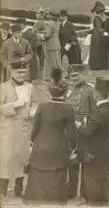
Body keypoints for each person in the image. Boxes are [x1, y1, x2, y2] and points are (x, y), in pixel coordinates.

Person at [24, 69, 76, 205]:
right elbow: (71, 134)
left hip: (40, 146)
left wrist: (32, 143)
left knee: (38, 178)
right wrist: (73, 149)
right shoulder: (68, 109)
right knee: (57, 179)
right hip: (58, 148)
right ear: (65, 93)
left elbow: (35, 129)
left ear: (49, 92)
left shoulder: (42, 107)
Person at [76, 77, 109, 207]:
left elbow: (88, 131)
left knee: (92, 180)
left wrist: (78, 125)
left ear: (96, 94)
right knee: (104, 179)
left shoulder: (97, 113)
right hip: (107, 147)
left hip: (93, 150)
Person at [0, 61, 34, 199]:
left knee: (22, 159)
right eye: (19, 72)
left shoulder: (30, 87)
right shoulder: (3, 87)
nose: (22, 75)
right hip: (8, 128)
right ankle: (2, 190)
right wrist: (14, 105)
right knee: (6, 159)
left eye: (24, 72)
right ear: (12, 72)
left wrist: (33, 111)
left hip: (24, 128)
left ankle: (19, 189)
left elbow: (34, 103)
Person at [66, 64, 96, 200]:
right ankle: (71, 191)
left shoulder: (91, 90)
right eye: (72, 76)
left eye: (77, 76)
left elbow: (95, 113)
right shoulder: (67, 89)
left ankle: (85, 192)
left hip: (84, 130)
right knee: (71, 161)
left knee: (85, 161)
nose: (74, 79)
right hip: (69, 130)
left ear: (85, 75)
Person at [89, 2, 108, 70]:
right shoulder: (97, 18)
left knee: (98, 50)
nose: (103, 12)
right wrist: (106, 29)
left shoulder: (99, 17)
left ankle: (99, 65)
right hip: (97, 36)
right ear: (100, 12)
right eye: (102, 11)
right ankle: (96, 66)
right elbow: (99, 29)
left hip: (97, 35)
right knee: (97, 51)